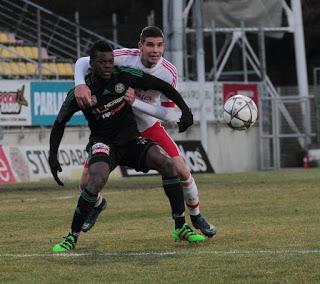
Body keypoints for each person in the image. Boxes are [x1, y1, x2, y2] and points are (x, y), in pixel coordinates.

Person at [49, 40, 206, 252]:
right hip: (104, 143)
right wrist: (52, 156)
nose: (108, 66)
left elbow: (162, 86)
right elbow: (59, 123)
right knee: (95, 180)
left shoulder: (122, 75)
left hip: (132, 141)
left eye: (111, 62)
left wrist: (186, 111)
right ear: (92, 64)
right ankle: (71, 237)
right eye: (103, 62)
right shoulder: (80, 93)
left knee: (168, 165)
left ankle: (180, 226)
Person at [74, 26, 216, 237]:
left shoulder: (168, 73)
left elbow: (168, 115)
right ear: (140, 46)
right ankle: (98, 204)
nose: (155, 50)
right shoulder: (123, 58)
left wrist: (136, 102)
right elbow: (82, 62)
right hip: (116, 128)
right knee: (85, 183)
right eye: (150, 45)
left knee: (181, 170)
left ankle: (195, 215)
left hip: (148, 125)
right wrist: (79, 85)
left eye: (159, 45)